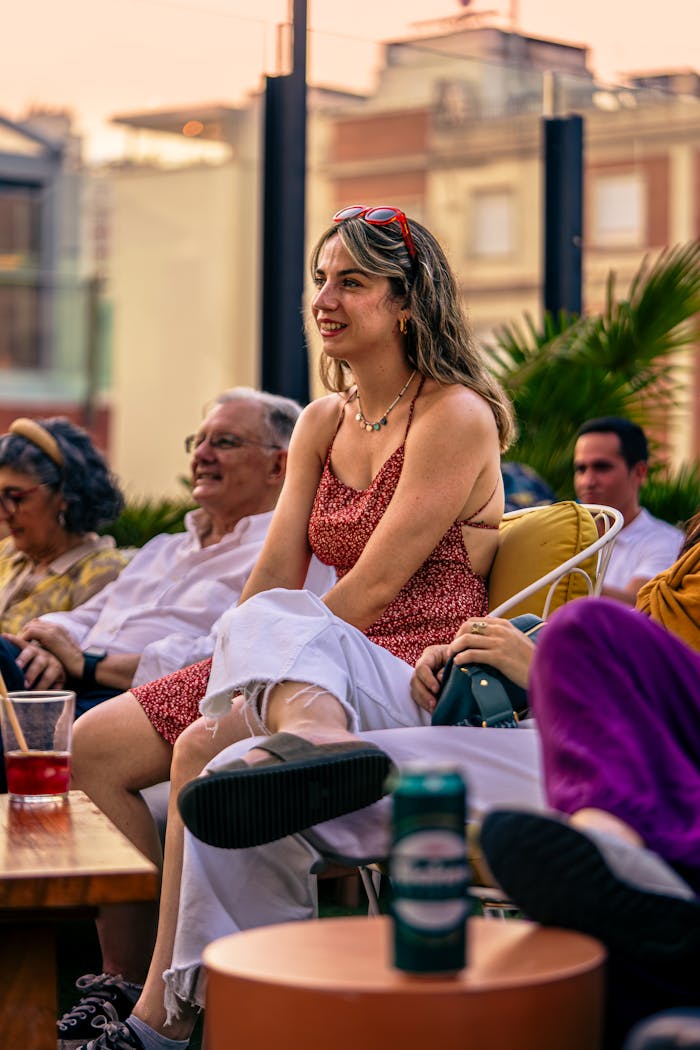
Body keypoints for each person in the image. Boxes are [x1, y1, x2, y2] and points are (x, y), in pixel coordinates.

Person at [61, 204, 515, 1050]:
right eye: (320, 280)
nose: (324, 299)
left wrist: (258, 661)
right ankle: (129, 986)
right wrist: (239, 662)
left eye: (352, 282)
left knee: (207, 745)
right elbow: (271, 578)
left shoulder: (455, 414)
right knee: (96, 745)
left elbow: (375, 586)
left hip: (406, 670)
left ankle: (167, 1016)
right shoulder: (321, 421)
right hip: (306, 659)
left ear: (406, 302)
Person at [68, 506, 700, 1050]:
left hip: (635, 747)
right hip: (539, 723)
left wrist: (546, 667)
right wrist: (481, 653)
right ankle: (252, 1021)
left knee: (586, 632)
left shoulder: (451, 422)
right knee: (244, 740)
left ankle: (618, 857)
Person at [6, 388, 327, 719]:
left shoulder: (279, 560)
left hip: (142, 702)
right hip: (73, 681)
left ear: (277, 465)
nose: (201, 454)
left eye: (224, 442)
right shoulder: (164, 548)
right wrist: (47, 646)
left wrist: (88, 665)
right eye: (197, 442)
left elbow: (220, 660)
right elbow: (87, 616)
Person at [0, 415, 127, 684]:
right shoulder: (7, 553)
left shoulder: (103, 572)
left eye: (15, 497)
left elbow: (92, 665)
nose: (3, 514)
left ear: (65, 496)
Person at [573, 416, 683, 604]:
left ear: (640, 472)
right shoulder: (567, 538)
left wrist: (556, 577)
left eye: (602, 467)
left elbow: (638, 605)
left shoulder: (668, 542)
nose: (587, 481)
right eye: (581, 469)